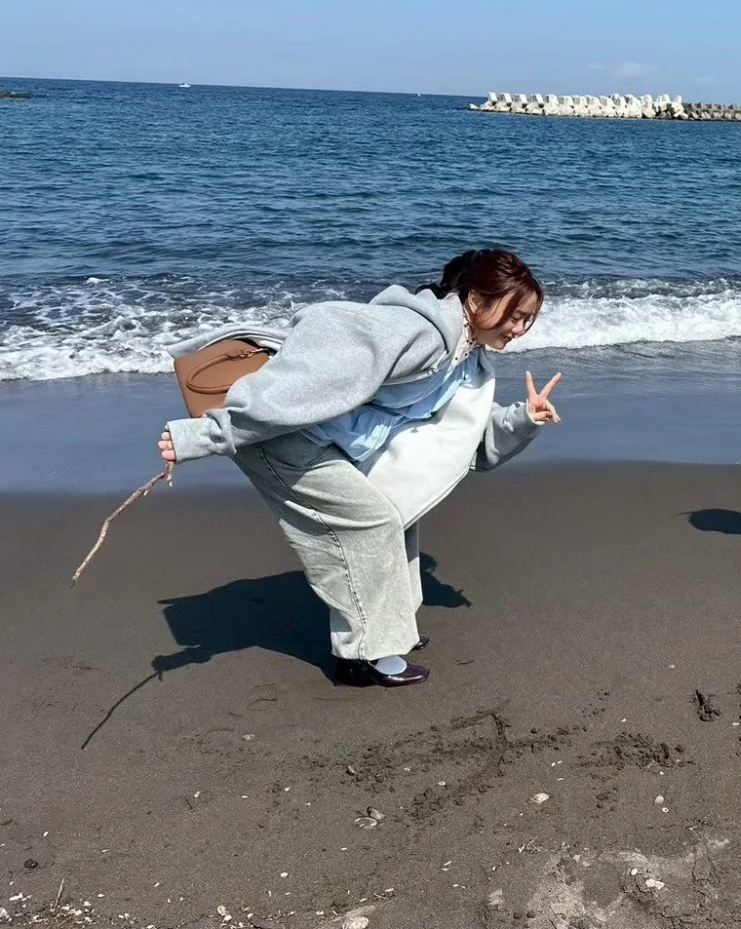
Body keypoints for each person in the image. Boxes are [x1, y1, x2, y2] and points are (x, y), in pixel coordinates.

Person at [158, 249, 562, 686]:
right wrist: (205, 435)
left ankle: (389, 631)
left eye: (528, 320)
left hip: (326, 437)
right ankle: (364, 655)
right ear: (476, 300)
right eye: (514, 314)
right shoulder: (419, 333)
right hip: (282, 436)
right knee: (370, 523)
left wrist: (525, 417)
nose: (519, 329)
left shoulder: (469, 359)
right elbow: (308, 380)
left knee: (398, 513)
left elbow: (471, 439)